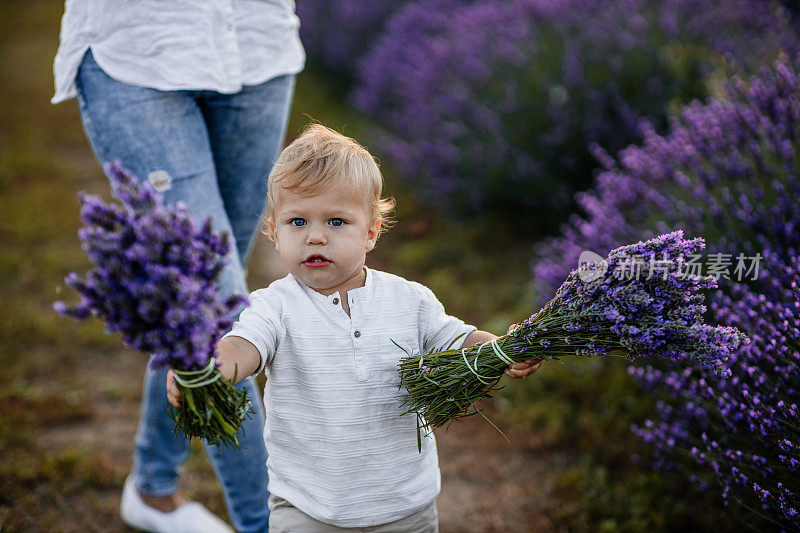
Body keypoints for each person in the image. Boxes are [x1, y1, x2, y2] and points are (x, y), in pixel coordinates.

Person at [167, 124, 542, 532]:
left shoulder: (409, 299)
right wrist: (207, 369)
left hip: (405, 506)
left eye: (335, 221)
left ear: (371, 232)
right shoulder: (274, 305)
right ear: (273, 232)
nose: (315, 236)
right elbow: (244, 345)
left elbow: (459, 338)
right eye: (297, 222)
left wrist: (500, 349)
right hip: (307, 508)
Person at [51, 2, 304, 531]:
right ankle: (271, 524)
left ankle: (153, 484)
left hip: (256, 44)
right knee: (213, 306)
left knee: (192, 296)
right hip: (137, 51)